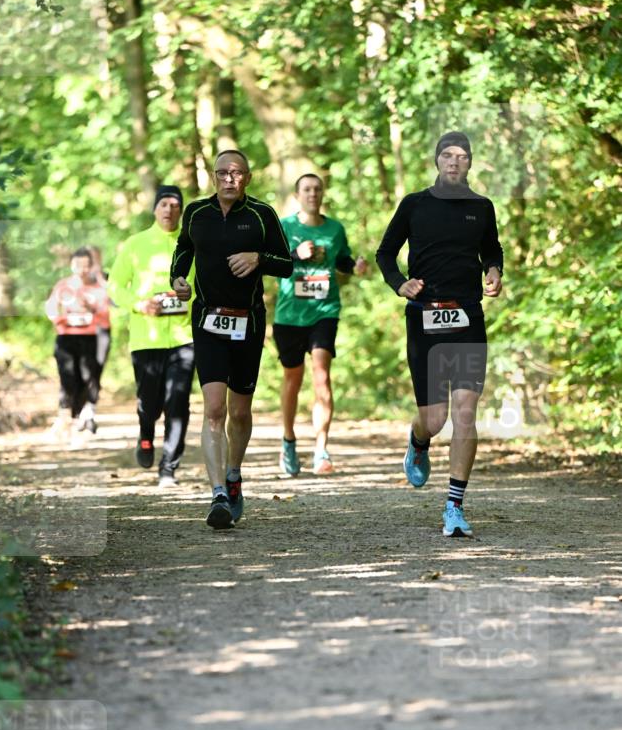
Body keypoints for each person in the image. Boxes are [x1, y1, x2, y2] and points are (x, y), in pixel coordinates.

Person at [376, 131, 503, 537]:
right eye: (447, 155)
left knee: (466, 411)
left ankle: (454, 506)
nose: (454, 162)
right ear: (436, 161)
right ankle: (418, 440)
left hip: (467, 317)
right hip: (424, 318)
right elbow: (385, 252)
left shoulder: (481, 207)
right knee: (435, 419)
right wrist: (399, 283)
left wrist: (494, 270)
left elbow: (492, 249)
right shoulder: (415, 204)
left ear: (470, 163)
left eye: (462, 156)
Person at [170, 149, 293, 528]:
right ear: (213, 176)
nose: (228, 179)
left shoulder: (261, 214)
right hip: (207, 321)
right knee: (214, 411)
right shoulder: (195, 213)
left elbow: (287, 264)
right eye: (222, 172)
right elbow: (184, 249)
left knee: (239, 413)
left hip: (248, 323)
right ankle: (218, 494)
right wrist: (177, 279)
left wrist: (259, 258)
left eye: (236, 173)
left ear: (247, 178)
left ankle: (234, 474)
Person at [274, 173, 367, 475]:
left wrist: (357, 266)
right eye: (307, 189)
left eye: (317, 189)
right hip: (289, 315)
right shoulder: (285, 227)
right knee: (293, 379)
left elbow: (342, 260)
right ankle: (288, 440)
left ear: (322, 194)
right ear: (297, 194)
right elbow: (269, 261)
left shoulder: (334, 229)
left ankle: (321, 449)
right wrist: (294, 254)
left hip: (324, 311)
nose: (313, 194)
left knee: (321, 376)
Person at [108, 185, 195, 488]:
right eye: (164, 204)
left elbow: (208, 284)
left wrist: (192, 296)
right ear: (155, 209)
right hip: (147, 338)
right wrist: (139, 303)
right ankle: (146, 434)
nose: (169, 210)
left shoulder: (192, 243)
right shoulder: (135, 244)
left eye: (175, 205)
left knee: (178, 402)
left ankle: (168, 467)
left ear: (181, 210)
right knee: (150, 404)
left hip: (185, 337)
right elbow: (115, 286)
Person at [45, 247, 108, 440]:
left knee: (88, 377)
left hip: (90, 337)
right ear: (71, 265)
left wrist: (92, 308)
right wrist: (59, 320)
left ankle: (82, 416)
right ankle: (64, 417)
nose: (82, 269)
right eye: (78, 265)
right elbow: (50, 307)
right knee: (67, 377)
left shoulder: (98, 287)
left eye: (86, 265)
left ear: (91, 266)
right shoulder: (63, 285)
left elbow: (105, 313)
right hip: (66, 337)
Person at [86, 245, 113, 387]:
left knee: (99, 364)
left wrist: (103, 281)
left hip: (103, 329)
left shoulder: (108, 278)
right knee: (85, 367)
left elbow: (116, 302)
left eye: (96, 257)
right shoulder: (79, 279)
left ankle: (91, 402)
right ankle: (82, 400)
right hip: (83, 330)